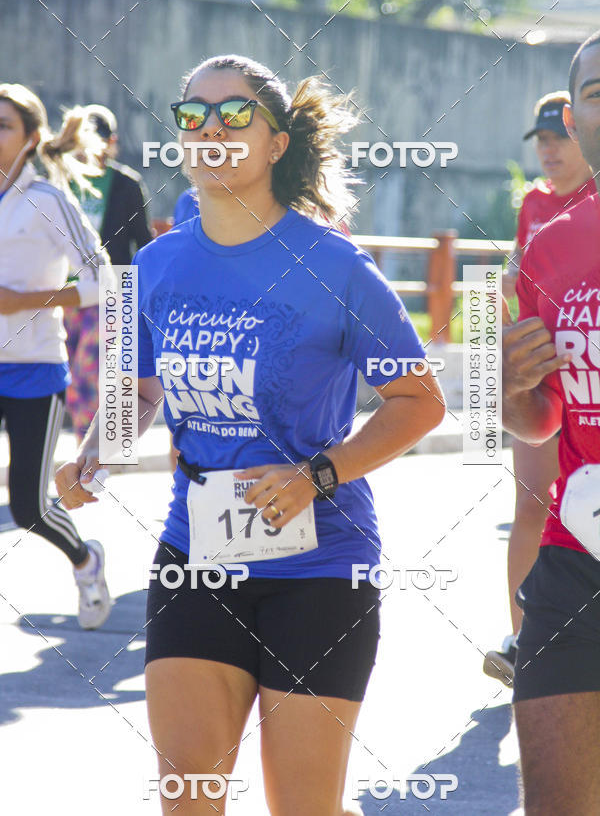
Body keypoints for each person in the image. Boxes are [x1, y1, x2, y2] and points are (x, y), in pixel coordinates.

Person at [56, 54, 445, 815]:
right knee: (190, 800)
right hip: (195, 553)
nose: (210, 128)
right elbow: (138, 392)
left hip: (322, 563)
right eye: (192, 113)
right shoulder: (159, 265)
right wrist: (96, 454)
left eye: (235, 115)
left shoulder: (336, 267)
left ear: (276, 143)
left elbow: (418, 400)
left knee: (302, 807)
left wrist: (317, 474)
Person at [502, 30, 600, 814]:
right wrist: (508, 389)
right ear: (575, 117)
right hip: (579, 555)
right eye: (597, 94)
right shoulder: (551, 240)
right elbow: (538, 418)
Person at [484, 91, 595, 685]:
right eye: (541, 141)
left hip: (587, 383)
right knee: (533, 503)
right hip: (549, 374)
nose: (549, 150)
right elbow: (515, 293)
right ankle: (523, 641)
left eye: (559, 138)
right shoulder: (534, 205)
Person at [0, 84, 113, 629]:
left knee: (27, 506)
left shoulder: (46, 201)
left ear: (32, 138)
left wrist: (25, 301)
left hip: (31, 367)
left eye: (3, 125)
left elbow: (107, 279)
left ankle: (85, 560)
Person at [62, 105, 152, 443]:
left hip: (111, 295)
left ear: (111, 142)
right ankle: (85, 463)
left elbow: (142, 244)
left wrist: (134, 301)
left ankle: (93, 463)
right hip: (64, 296)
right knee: (70, 382)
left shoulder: (127, 184)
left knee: (97, 380)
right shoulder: (61, 182)